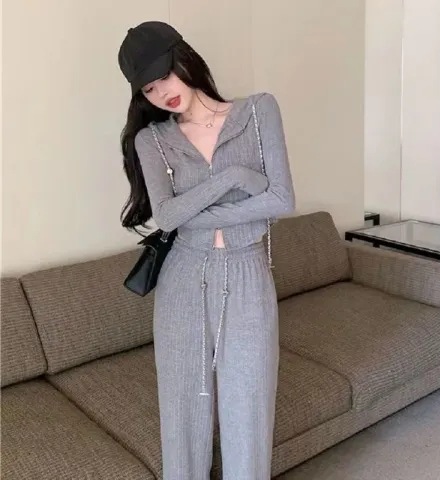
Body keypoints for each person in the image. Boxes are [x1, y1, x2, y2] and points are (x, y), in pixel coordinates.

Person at [117, 20, 295, 480]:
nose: (162, 93)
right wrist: (235, 178)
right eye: (149, 89)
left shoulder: (258, 112)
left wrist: (196, 209)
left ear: (184, 60)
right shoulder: (152, 140)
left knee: (250, 407)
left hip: (248, 273)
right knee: (183, 414)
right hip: (183, 280)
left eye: (164, 77)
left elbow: (281, 200)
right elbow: (168, 217)